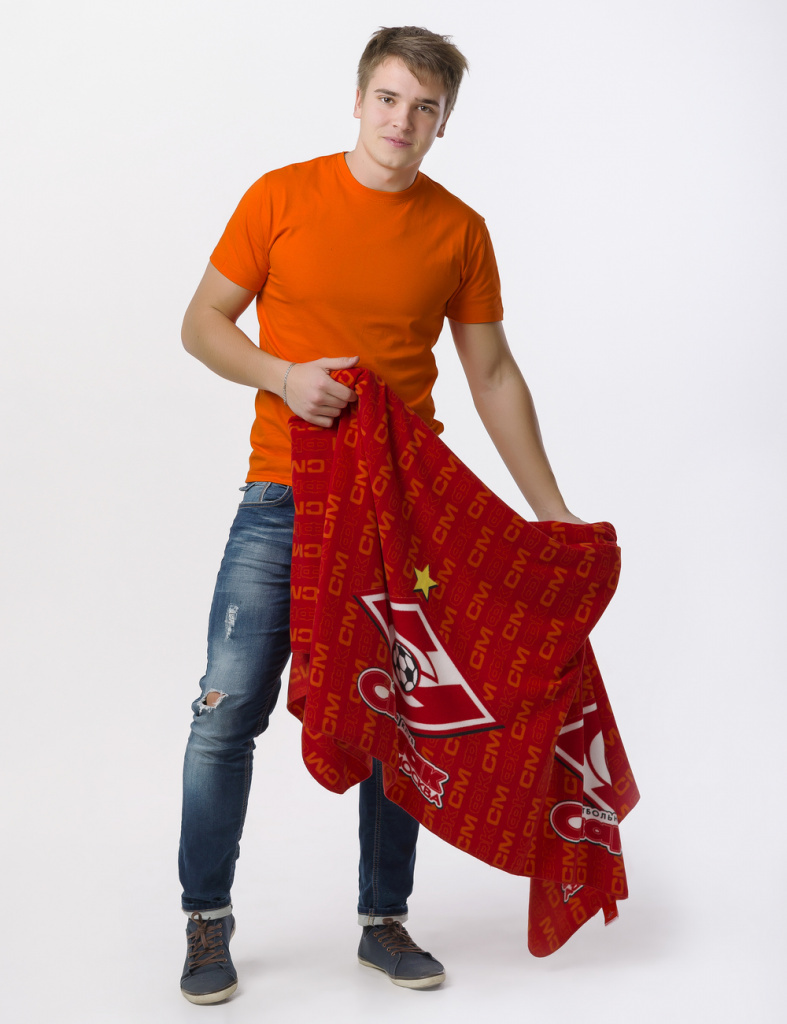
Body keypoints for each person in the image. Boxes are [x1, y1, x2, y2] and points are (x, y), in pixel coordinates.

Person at [178, 25, 584, 1005]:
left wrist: (553, 514)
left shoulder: (459, 230)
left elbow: (491, 374)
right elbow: (200, 324)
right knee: (226, 708)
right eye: (390, 98)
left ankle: (382, 919)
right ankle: (205, 919)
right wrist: (283, 376)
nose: (403, 120)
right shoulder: (281, 197)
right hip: (282, 497)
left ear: (444, 124)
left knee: (400, 715)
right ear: (359, 100)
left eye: (425, 107)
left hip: (402, 510)